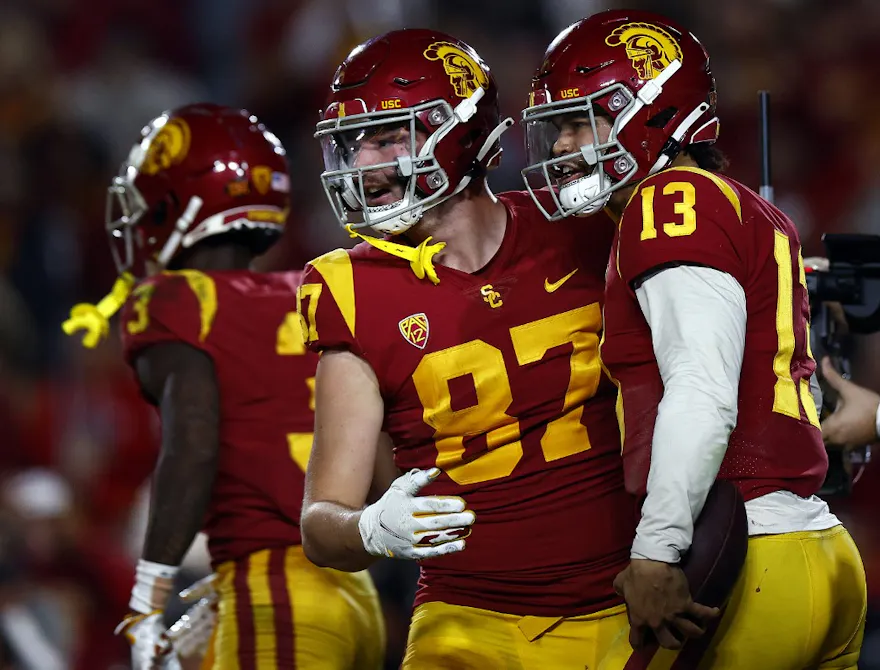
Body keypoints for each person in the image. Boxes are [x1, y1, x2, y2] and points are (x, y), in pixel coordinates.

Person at [521, 9, 867, 668]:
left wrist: (655, 551)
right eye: (557, 127)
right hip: (816, 551)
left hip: (747, 560)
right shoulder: (744, 205)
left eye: (581, 121)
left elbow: (703, 393)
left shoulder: (668, 203)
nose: (565, 146)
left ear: (652, 111)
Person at [298, 28, 637, 669]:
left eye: (386, 136)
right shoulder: (349, 287)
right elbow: (322, 520)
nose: (363, 165)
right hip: (471, 618)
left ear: (453, 131)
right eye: (352, 143)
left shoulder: (587, 230)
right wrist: (369, 529)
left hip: (629, 602)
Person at [62, 103, 385, 670]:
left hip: (276, 591)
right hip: (357, 597)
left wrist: (148, 595)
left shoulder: (180, 301)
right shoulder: (313, 291)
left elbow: (194, 442)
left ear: (176, 202)